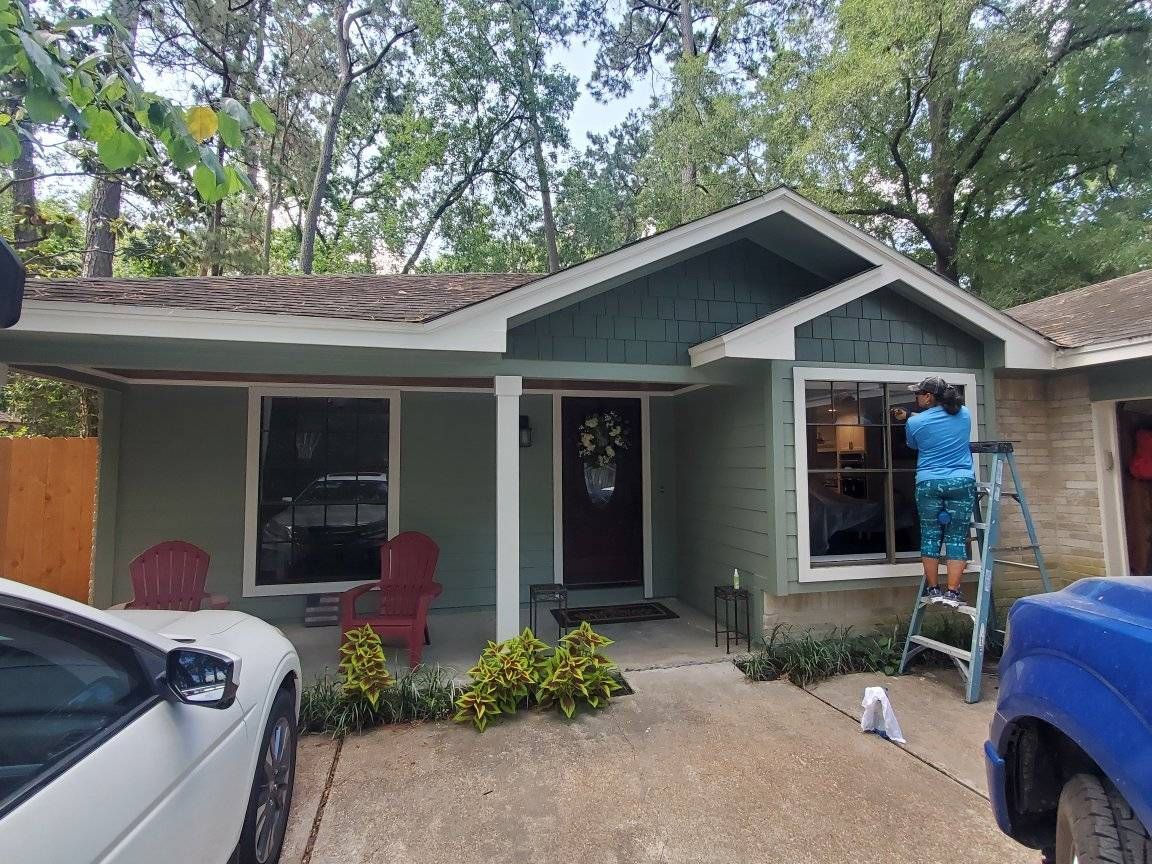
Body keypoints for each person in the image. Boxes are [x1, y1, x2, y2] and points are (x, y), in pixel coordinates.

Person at [891, 376, 975, 607]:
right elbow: (942, 419)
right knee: (956, 537)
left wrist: (909, 418)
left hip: (928, 483)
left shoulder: (915, 424)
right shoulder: (965, 414)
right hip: (960, 481)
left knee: (930, 535)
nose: (915, 397)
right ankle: (953, 593)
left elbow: (914, 444)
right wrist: (910, 415)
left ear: (928, 397)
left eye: (918, 394)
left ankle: (933, 590)